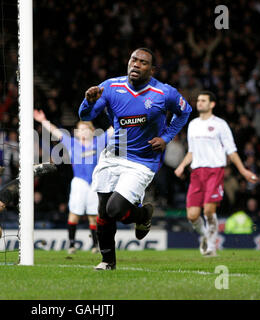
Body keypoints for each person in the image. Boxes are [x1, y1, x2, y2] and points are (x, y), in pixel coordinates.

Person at [78, 48, 192, 270]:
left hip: (142, 159)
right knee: (103, 210)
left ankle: (143, 214)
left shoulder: (164, 93)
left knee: (115, 209)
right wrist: (88, 102)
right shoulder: (111, 87)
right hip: (114, 154)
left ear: (152, 69)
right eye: (133, 60)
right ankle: (107, 261)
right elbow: (86, 116)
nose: (136, 65)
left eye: (143, 62)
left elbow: (185, 111)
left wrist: (167, 137)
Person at [174, 91, 258, 256]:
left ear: (212, 104)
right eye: (198, 100)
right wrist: (182, 165)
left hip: (214, 171)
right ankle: (206, 236)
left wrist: (243, 171)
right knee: (192, 215)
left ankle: (210, 246)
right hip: (197, 173)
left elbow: (231, 151)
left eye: (203, 100)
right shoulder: (193, 125)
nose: (199, 103)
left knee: (208, 211)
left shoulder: (220, 124)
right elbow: (191, 151)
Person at [34, 109, 113, 254]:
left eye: (84, 129)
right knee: (74, 212)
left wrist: (121, 114)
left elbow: (111, 130)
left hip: (95, 183)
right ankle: (71, 244)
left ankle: (95, 245)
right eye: (79, 130)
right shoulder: (72, 143)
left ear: (92, 130)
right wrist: (43, 120)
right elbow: (56, 132)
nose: (81, 132)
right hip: (79, 182)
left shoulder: (99, 141)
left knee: (93, 215)